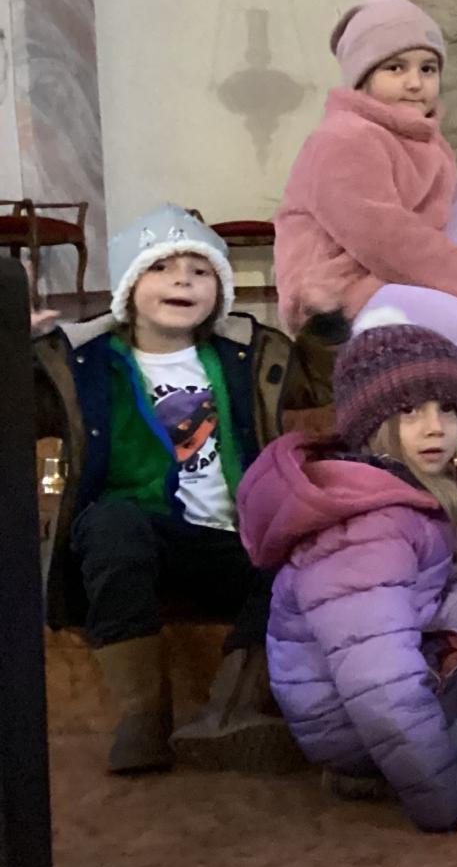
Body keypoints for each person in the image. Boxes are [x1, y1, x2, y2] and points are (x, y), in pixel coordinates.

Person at [236, 319, 457, 833]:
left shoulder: (400, 484)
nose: (435, 427)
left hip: (421, 665)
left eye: (446, 408)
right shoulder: (366, 530)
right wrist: (444, 801)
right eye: (409, 411)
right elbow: (379, 685)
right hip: (358, 723)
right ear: (371, 422)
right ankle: (384, 777)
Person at [34, 206, 310, 774]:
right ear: (131, 287)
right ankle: (143, 719)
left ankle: (232, 711)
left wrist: (328, 330)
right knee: (112, 524)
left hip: (229, 539)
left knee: (293, 566)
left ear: (220, 291)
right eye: (162, 267)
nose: (183, 279)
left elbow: (321, 385)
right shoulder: (85, 362)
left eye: (200, 270)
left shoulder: (248, 354)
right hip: (137, 540)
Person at [275, 0, 457, 358]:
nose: (415, 83)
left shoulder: (426, 138)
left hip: (394, 275)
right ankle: (378, 349)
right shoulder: (343, 136)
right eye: (396, 68)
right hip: (342, 296)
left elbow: (438, 224)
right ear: (363, 77)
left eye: (428, 69)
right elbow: (387, 239)